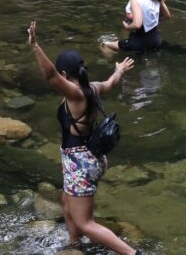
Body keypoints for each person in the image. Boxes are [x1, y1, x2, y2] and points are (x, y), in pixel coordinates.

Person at [27, 21, 141, 255]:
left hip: (81, 163)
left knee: (85, 223)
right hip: (87, 158)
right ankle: (75, 245)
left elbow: (49, 76)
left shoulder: (75, 94)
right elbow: (110, 83)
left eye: (61, 75)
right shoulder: (92, 88)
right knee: (65, 201)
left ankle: (132, 254)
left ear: (65, 74)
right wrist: (118, 70)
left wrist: (35, 46)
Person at [101, 0, 170, 55]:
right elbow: (167, 16)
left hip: (139, 42)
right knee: (148, 56)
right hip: (156, 40)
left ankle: (115, 66)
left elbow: (137, 24)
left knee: (105, 45)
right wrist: (153, 21)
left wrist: (127, 26)